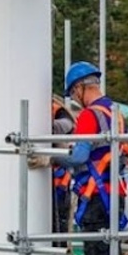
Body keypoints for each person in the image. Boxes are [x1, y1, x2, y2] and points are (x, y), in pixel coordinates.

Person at [32, 61, 128, 255]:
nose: (73, 98)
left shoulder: (90, 116)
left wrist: (49, 158)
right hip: (114, 194)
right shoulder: (116, 113)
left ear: (79, 88)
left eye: (73, 92)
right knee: (110, 252)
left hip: (96, 196)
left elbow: (79, 156)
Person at [50, 96, 76, 247]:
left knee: (57, 231)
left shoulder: (58, 112)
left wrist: (47, 127)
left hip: (58, 184)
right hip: (49, 183)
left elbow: (68, 124)